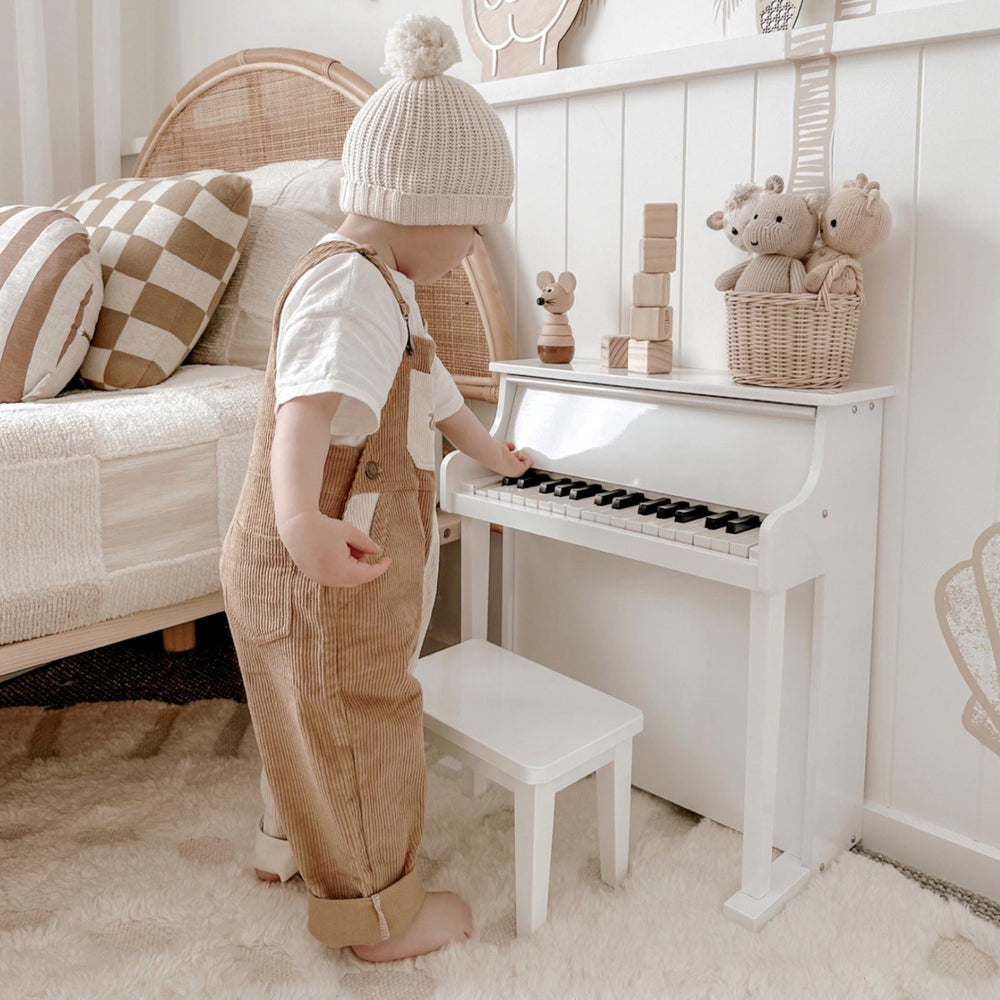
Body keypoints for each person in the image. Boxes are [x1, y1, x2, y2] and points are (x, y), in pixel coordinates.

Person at [219, 14, 531, 963]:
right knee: (363, 718)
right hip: (320, 555)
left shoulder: (391, 293)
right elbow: (307, 412)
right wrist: (300, 519)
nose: (474, 248)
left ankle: (287, 848)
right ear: (429, 204)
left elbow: (435, 398)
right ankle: (380, 917)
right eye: (475, 228)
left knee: (300, 713)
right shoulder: (350, 287)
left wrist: (493, 448)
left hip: (303, 556)